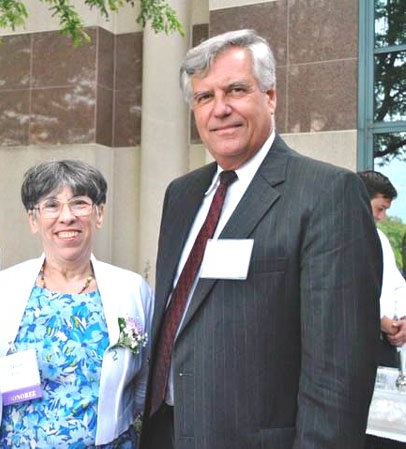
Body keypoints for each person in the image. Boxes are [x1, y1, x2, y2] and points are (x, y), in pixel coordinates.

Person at [140, 29, 382, 449]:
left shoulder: (327, 193)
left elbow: (339, 372)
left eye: (235, 90)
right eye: (204, 97)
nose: (220, 109)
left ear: (270, 96)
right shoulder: (180, 195)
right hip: (166, 432)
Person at [0, 159, 153, 448]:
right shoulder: (1, 289)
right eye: (51, 205)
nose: (67, 217)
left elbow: (144, 381)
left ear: (99, 214)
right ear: (33, 219)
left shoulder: (132, 289)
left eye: (80, 203)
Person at [358, 170, 406, 449]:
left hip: (387, 349)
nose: (382, 217)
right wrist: (378, 321)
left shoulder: (382, 241)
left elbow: (397, 286)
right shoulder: (331, 237)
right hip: (359, 349)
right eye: (380, 208)